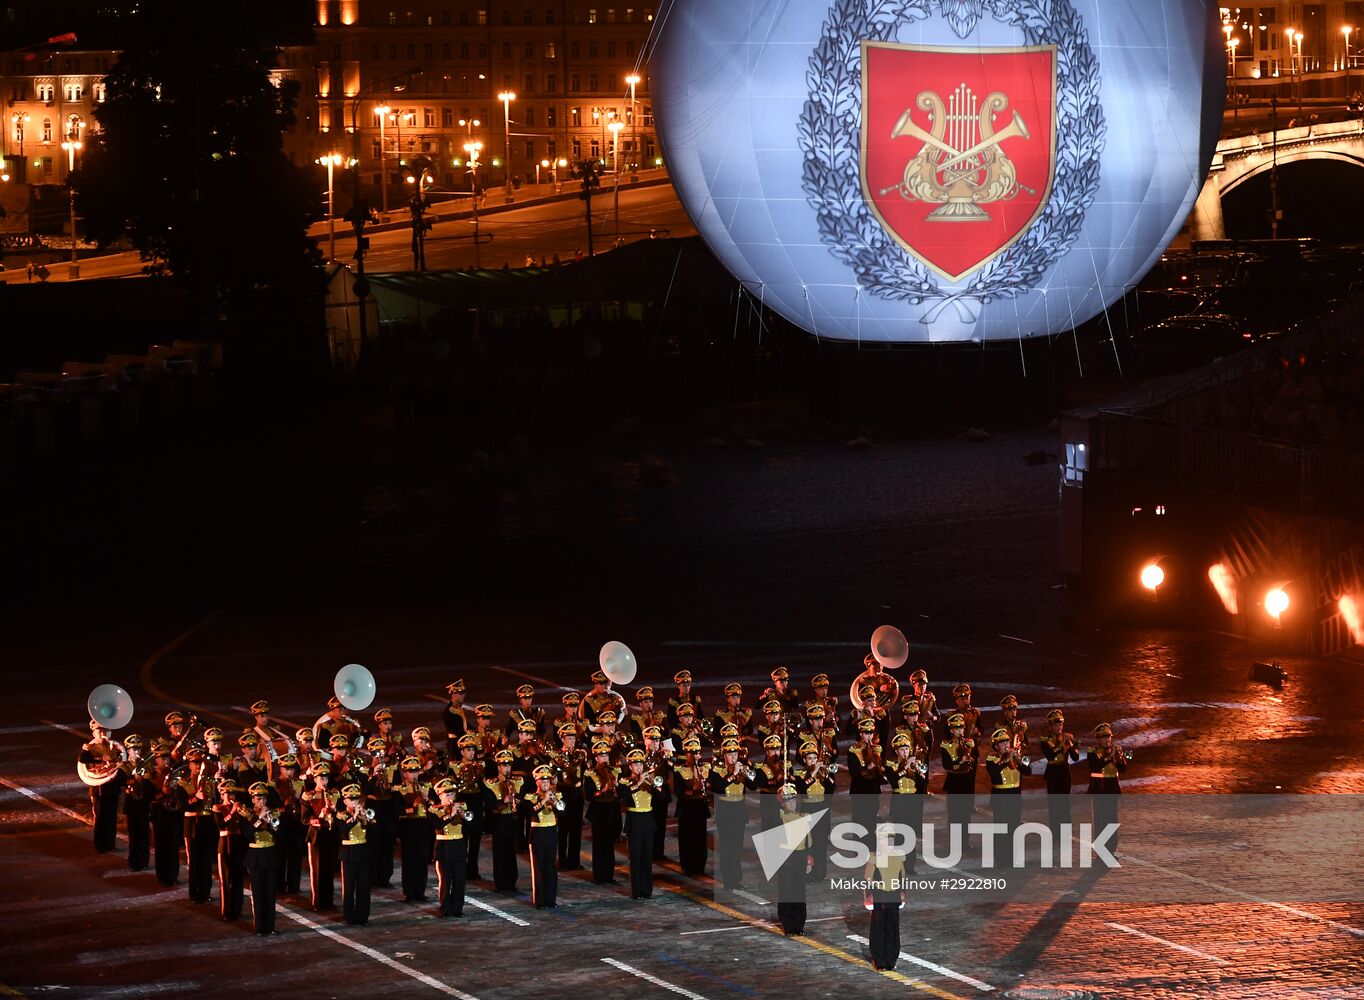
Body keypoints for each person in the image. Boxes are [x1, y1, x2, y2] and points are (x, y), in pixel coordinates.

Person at [708, 739, 751, 890]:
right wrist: (733, 774)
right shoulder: (716, 770)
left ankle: (736, 878)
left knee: (737, 846)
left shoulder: (742, 768)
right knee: (727, 847)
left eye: (735, 753)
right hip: (725, 810)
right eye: (730, 754)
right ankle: (728, 879)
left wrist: (748, 771)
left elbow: (754, 784)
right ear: (724, 755)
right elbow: (718, 787)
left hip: (739, 810)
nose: (733, 757)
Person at [884, 732, 927, 874]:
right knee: (901, 836)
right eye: (902, 750)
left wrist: (920, 774)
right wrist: (905, 767)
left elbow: (922, 785)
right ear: (896, 751)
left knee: (912, 835)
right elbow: (893, 781)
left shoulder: (916, 765)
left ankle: (910, 867)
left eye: (907, 749)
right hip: (900, 802)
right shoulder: (891, 765)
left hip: (913, 802)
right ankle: (899, 868)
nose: (905, 752)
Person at [794, 739, 836, 881]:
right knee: (808, 844)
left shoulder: (822, 774)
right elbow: (802, 789)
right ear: (805, 760)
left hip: (821, 808)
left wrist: (827, 775)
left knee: (821, 842)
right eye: (809, 759)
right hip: (808, 809)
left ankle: (820, 873)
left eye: (814, 758)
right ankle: (808, 872)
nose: (813, 761)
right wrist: (813, 773)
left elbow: (831, 789)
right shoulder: (800, 774)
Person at [80, 720, 123, 853]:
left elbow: (122, 761)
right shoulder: (90, 747)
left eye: (106, 731)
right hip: (98, 788)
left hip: (112, 787)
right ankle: (100, 845)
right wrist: (100, 759)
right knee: (100, 818)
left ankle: (110, 844)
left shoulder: (115, 747)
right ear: (94, 732)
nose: (103, 733)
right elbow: (83, 759)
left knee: (111, 818)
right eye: (100, 731)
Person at [301, 761, 339, 911]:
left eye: (326, 778)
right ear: (315, 779)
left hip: (330, 835)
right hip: (316, 836)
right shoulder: (308, 796)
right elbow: (304, 819)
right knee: (317, 870)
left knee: (329, 869)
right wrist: (320, 815)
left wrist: (334, 810)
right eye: (321, 778)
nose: (324, 781)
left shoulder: (333, 794)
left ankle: (328, 901)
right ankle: (317, 902)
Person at [484, 749, 523, 892]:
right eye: (504, 765)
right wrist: (503, 801)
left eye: (509, 765)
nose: (507, 768)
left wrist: (518, 800)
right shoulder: (491, 784)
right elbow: (488, 805)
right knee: (500, 851)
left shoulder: (516, 781)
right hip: (499, 820)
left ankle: (512, 881)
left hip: (512, 819)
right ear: (498, 767)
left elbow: (523, 800)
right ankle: (501, 883)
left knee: (511, 852)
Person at [396, 755, 434, 902]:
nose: (414, 774)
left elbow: (434, 805)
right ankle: (409, 892)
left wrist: (428, 800)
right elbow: (397, 811)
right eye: (411, 772)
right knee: (409, 859)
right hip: (409, 826)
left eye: (416, 771)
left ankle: (420, 890)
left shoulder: (426, 787)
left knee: (422, 859)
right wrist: (413, 807)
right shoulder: (400, 789)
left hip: (423, 825)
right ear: (405, 773)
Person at [984, 727, 1023, 868]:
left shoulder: (1016, 757)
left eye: (1007, 741)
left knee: (1014, 827)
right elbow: (994, 773)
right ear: (996, 746)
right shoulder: (991, 759)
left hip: (1015, 796)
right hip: (1000, 797)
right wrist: (1007, 760)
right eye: (1002, 742)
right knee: (1001, 829)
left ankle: (1012, 859)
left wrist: (1018, 759)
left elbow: (1028, 770)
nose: (1006, 745)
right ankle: (1001, 860)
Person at [245, 782, 280, 936]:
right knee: (258, 894)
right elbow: (246, 834)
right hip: (256, 857)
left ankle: (270, 926)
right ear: (252, 800)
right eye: (258, 799)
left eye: (264, 798)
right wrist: (259, 818)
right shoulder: (248, 815)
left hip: (270, 855)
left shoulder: (273, 814)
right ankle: (260, 927)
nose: (262, 802)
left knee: (270, 894)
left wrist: (271, 822)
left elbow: (281, 834)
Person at [1039, 710, 1080, 844]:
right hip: (1053, 773)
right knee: (1054, 804)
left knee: (1065, 803)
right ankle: (1055, 832)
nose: (1059, 728)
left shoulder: (1068, 737)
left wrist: (1072, 747)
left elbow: (1075, 757)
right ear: (1050, 726)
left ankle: (1065, 833)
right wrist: (1062, 745)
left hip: (1064, 772)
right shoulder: (1045, 740)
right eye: (1056, 725)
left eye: (1061, 725)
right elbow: (1050, 755)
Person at [622, 749, 658, 899]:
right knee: (635, 859)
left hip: (648, 821)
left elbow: (662, 797)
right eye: (635, 765)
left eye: (640, 765)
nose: (639, 768)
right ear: (630, 767)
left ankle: (647, 890)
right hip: (635, 822)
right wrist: (639, 783)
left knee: (647, 858)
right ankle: (636, 891)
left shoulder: (650, 780)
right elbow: (625, 798)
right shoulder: (624, 782)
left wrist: (655, 785)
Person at [1087, 723, 1128, 853]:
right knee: (1100, 820)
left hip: (1112, 790)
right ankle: (1101, 847)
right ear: (1098, 739)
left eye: (1109, 737)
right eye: (1104, 738)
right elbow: (1097, 765)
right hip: (1099, 790)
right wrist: (1111, 756)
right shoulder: (1092, 752)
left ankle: (1112, 847)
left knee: (1112, 819)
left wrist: (1119, 758)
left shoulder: (1114, 752)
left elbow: (1123, 769)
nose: (1108, 740)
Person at [941, 713, 978, 856]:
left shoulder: (969, 743)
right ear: (951, 730)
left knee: (965, 814)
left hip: (966, 782)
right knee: (955, 815)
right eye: (957, 729)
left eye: (961, 728)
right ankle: (955, 843)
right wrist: (960, 762)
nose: (960, 731)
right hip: (954, 782)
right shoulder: (946, 745)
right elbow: (946, 764)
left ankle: (965, 842)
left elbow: (974, 758)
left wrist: (970, 759)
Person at [584, 740, 621, 884]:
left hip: (611, 809)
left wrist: (617, 787)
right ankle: (599, 875)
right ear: (596, 758)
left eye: (606, 756)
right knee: (599, 844)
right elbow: (588, 795)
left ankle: (609, 874)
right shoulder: (591, 773)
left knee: (610, 844)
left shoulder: (614, 771)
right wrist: (602, 791)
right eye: (602, 756)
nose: (605, 759)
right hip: (599, 810)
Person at [865, 842, 906, 970]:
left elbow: (902, 876)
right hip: (879, 895)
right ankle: (878, 960)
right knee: (878, 929)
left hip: (893, 895)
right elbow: (868, 878)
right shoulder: (874, 857)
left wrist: (902, 892)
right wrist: (869, 895)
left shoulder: (898, 857)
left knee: (892, 929)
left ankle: (891, 960)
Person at [551, 724, 587, 870]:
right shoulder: (556, 756)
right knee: (563, 828)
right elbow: (552, 775)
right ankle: (563, 861)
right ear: (562, 739)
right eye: (569, 738)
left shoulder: (580, 754)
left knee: (576, 828)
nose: (572, 741)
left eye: (573, 738)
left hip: (577, 793)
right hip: (563, 792)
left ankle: (574, 861)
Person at [525, 765, 561, 908]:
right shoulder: (530, 797)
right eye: (543, 781)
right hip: (538, 835)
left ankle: (551, 899)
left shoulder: (556, 796)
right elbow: (530, 812)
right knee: (539, 869)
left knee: (551, 868)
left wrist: (555, 802)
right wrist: (544, 801)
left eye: (548, 781)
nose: (546, 784)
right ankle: (539, 901)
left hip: (551, 833)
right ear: (537, 782)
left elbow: (563, 813)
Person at [451, 734, 487, 879]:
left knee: (475, 839)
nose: (471, 753)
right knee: (462, 838)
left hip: (476, 804)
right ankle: (461, 869)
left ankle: (473, 870)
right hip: (462, 803)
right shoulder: (454, 766)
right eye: (468, 750)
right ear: (462, 752)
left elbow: (484, 786)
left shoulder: (481, 765)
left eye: (473, 750)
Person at [673, 736, 711, 876]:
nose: (694, 755)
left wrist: (706, 784)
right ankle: (688, 866)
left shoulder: (705, 768)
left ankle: (700, 866)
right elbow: (679, 791)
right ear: (686, 754)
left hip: (700, 807)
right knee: (687, 838)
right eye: (690, 753)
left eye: (696, 752)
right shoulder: (680, 770)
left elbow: (711, 785)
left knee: (700, 838)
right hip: (686, 808)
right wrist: (693, 788)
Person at [212, 779, 249, 922]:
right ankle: (226, 911)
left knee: (238, 879)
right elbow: (220, 825)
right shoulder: (218, 808)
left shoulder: (240, 808)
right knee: (226, 879)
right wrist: (232, 812)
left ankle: (237, 910)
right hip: (225, 843)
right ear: (222, 795)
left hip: (238, 844)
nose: (231, 797)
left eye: (232, 793)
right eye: (228, 794)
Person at [431, 778, 469, 917]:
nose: (451, 798)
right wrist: (450, 814)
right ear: (440, 796)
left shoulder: (462, 807)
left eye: (452, 794)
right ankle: (445, 909)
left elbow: (469, 825)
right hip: (444, 848)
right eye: (447, 795)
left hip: (458, 846)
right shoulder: (434, 810)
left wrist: (463, 816)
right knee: (446, 881)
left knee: (459, 880)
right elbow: (437, 825)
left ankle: (458, 908)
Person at [774, 783, 807, 935]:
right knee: (787, 890)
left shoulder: (802, 817)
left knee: (799, 891)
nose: (791, 803)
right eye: (788, 800)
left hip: (800, 856)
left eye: (793, 800)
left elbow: (808, 840)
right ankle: (788, 924)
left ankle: (799, 924)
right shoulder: (779, 816)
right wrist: (780, 795)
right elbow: (771, 814)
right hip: (786, 857)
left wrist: (809, 858)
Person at [337, 783, 372, 926]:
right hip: (349, 853)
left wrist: (365, 817)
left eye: (356, 799)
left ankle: (363, 917)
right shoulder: (341, 815)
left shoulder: (364, 813)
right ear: (345, 801)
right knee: (349, 887)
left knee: (364, 887)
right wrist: (355, 815)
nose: (355, 802)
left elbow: (374, 828)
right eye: (351, 799)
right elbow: (344, 830)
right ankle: (350, 917)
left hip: (363, 852)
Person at [273, 753, 306, 895]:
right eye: (286, 768)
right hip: (281, 822)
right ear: (281, 768)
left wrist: (298, 800)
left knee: (296, 855)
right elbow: (271, 804)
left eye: (291, 769)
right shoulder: (274, 784)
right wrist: (284, 803)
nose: (289, 772)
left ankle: (294, 885)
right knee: (279, 855)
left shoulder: (300, 783)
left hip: (295, 822)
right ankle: (279, 885)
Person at [149, 740, 181, 886]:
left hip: (173, 814)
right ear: (156, 759)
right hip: (160, 814)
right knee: (162, 847)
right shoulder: (151, 774)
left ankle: (173, 875)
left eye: (167, 758)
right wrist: (161, 793)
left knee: (173, 847)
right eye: (163, 758)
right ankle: (163, 876)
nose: (166, 761)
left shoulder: (174, 773)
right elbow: (147, 796)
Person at [121, 734, 153, 871]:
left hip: (144, 805)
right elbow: (120, 782)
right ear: (128, 751)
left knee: (145, 836)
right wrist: (134, 778)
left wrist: (145, 778)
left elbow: (151, 785)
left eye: (139, 749)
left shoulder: (146, 766)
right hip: (132, 806)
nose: (137, 752)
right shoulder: (125, 766)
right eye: (134, 750)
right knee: (134, 836)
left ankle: (144, 861)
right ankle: (134, 862)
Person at [442, 680, 469, 754]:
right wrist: (469, 736)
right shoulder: (449, 711)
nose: (463, 695)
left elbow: (466, 725)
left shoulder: (458, 708)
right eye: (460, 693)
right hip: (455, 745)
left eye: (464, 693)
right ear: (453, 694)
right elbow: (458, 730)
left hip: (461, 742)